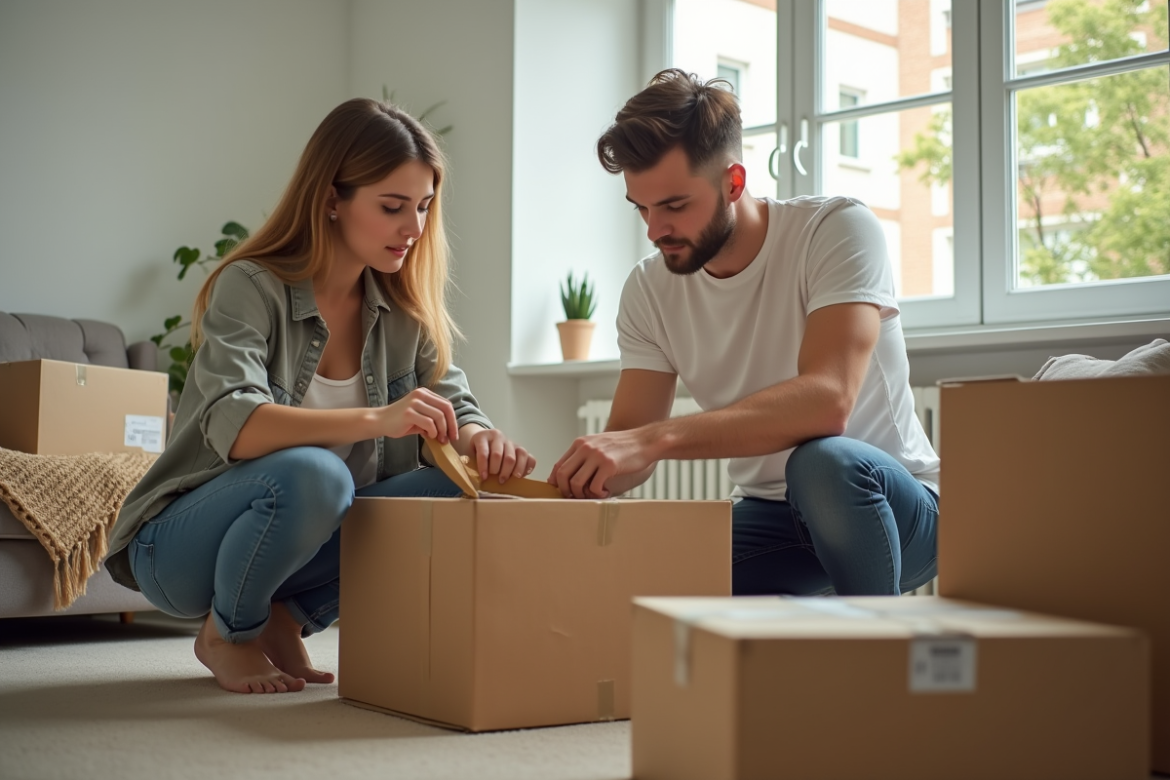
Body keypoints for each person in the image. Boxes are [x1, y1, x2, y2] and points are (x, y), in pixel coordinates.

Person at [107, 98, 534, 694]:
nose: (413, 228)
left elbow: (455, 405)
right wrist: (378, 419)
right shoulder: (251, 287)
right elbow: (239, 425)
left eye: (423, 208)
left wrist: (481, 439)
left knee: (461, 485)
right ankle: (226, 634)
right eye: (392, 207)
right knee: (316, 474)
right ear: (332, 198)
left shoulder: (405, 314)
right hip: (180, 549)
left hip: (289, 555)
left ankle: (286, 618)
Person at [549, 70, 939, 598]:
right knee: (651, 584)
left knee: (821, 462)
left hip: (894, 507)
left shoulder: (837, 229)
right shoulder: (647, 288)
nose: (654, 229)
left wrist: (655, 440)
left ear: (733, 183)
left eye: (674, 205)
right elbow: (628, 446)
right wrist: (577, 477)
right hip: (773, 520)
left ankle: (879, 669)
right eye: (641, 207)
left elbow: (828, 402)